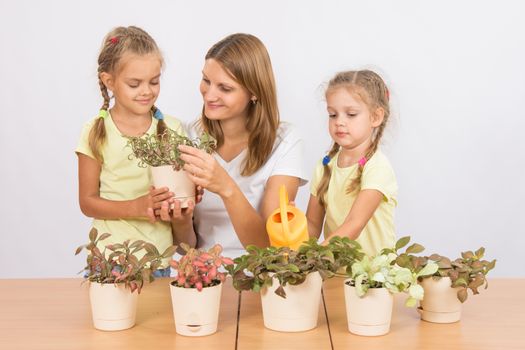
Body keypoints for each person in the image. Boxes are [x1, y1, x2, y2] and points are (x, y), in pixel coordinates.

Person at [151, 33, 308, 258]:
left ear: (253, 92)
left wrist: (226, 186)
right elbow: (185, 246)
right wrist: (182, 220)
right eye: (206, 80)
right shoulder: (188, 136)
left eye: (225, 88)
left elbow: (271, 248)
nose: (210, 95)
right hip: (205, 276)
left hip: (261, 277)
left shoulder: (285, 141)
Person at [76, 26, 185, 275]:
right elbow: (87, 202)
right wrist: (136, 207)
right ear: (109, 81)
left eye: (154, 81)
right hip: (109, 258)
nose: (147, 91)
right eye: (134, 84)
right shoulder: (95, 131)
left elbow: (179, 196)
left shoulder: (173, 129)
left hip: (158, 260)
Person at [306, 70, 398, 256]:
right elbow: (313, 226)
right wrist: (292, 225)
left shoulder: (377, 167)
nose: (339, 122)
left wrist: (315, 256)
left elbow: (354, 224)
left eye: (351, 114)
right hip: (335, 273)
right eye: (333, 114)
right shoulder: (325, 166)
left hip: (374, 277)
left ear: (375, 117)